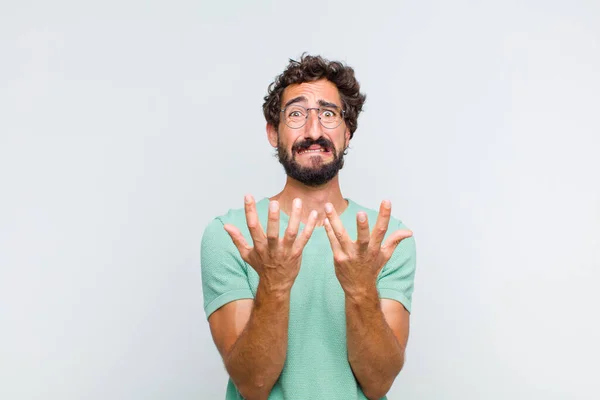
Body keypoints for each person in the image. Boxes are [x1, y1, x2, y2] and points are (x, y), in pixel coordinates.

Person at [201, 54, 416, 400]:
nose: (313, 131)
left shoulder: (386, 239)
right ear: (274, 132)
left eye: (329, 114)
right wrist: (274, 284)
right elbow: (253, 384)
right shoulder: (232, 235)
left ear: (347, 133)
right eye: (297, 114)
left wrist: (361, 289)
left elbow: (378, 383)